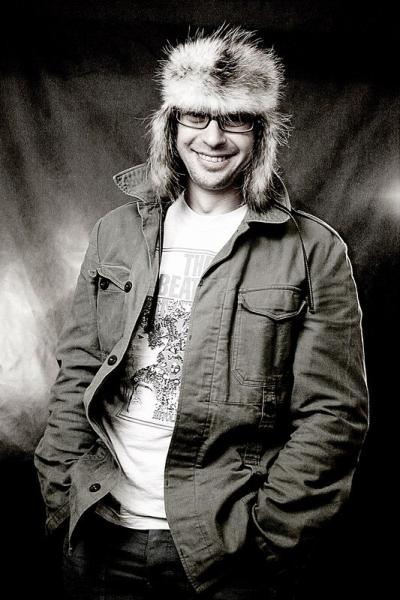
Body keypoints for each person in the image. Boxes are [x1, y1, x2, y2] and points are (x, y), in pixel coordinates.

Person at [34, 26, 369, 600]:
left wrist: (268, 537)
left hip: (226, 550)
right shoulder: (115, 232)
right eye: (196, 116)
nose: (213, 137)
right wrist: (62, 490)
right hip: (100, 531)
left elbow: (333, 416)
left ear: (260, 133)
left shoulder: (314, 250)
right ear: (171, 126)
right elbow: (77, 373)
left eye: (235, 119)